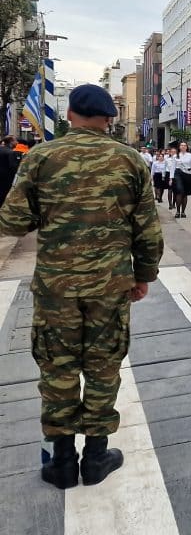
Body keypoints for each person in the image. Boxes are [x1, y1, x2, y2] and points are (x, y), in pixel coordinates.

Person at [0, 84, 163, 489]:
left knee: (58, 367)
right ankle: (95, 457)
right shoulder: (130, 160)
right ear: (109, 118)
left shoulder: (41, 156)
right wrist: (142, 275)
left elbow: (13, 222)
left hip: (57, 286)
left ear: (70, 114)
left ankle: (60, 461)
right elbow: (148, 230)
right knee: (104, 365)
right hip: (110, 285)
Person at [172, 142, 191, 218]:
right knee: (179, 191)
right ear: (179, 147)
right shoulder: (175, 156)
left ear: (187, 147)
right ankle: (177, 211)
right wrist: (171, 178)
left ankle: (183, 212)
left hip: (187, 173)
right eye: (181, 145)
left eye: (184, 145)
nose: (183, 146)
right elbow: (173, 167)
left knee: (185, 193)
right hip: (178, 174)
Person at [0, 135, 19, 207]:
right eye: (15, 141)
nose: (17, 142)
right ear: (11, 142)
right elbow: (13, 167)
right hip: (6, 179)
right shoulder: (11, 152)